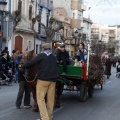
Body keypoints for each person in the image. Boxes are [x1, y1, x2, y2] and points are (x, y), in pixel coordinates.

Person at [19, 43, 57, 120]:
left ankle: (45, 118)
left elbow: (31, 63)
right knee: (50, 99)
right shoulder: (54, 57)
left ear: (43, 49)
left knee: (40, 99)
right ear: (50, 49)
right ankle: (50, 116)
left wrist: (22, 66)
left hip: (43, 80)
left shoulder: (41, 55)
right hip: (53, 80)